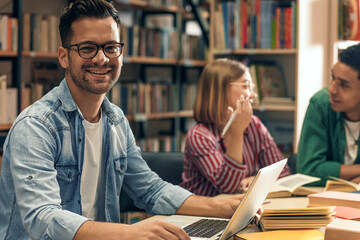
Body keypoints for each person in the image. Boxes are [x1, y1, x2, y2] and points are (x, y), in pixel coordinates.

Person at [0, 1, 243, 239]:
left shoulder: (116, 121)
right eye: (87, 48)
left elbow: (151, 190)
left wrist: (225, 207)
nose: (102, 59)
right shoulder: (35, 126)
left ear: (121, 54)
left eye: (111, 47)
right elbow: (43, 218)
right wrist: (132, 233)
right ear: (64, 57)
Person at [180, 59, 291, 196]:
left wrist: (255, 180)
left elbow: (283, 172)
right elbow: (228, 188)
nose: (252, 95)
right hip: (200, 214)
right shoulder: (198, 135)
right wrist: (236, 134)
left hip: (238, 210)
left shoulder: (253, 124)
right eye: (246, 86)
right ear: (219, 90)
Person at [297, 44, 360, 186]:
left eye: (344, 85)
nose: (332, 89)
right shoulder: (320, 104)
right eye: (333, 78)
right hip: (322, 201)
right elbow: (308, 170)